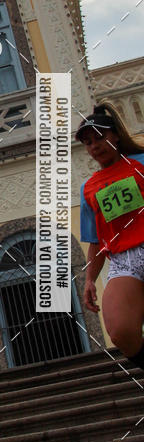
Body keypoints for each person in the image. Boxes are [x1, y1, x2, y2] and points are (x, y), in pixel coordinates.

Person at [77, 102, 144, 368]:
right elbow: (95, 240)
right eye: (88, 142)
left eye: (100, 137)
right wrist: (89, 279)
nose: (95, 145)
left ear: (115, 135)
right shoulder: (88, 188)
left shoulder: (141, 164)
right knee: (120, 331)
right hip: (123, 261)